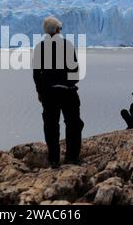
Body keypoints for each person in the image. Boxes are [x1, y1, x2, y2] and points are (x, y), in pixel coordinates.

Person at [33, 16, 84, 168]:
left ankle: (54, 159)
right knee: (74, 124)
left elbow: (37, 74)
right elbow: (75, 71)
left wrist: (41, 92)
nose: (60, 31)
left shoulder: (40, 47)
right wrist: (69, 84)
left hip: (49, 93)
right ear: (56, 30)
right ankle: (72, 157)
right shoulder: (66, 45)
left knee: (51, 126)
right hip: (68, 92)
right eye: (60, 28)